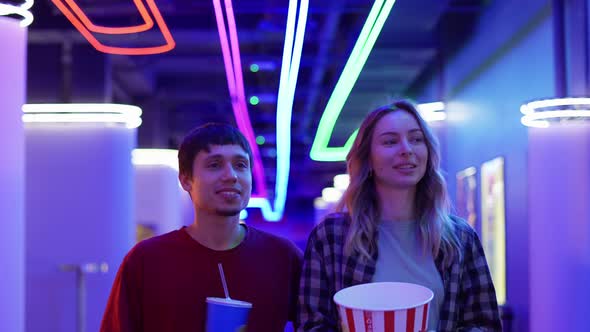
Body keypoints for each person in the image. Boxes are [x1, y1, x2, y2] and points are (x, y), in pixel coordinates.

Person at [296, 100, 502, 331]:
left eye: (416, 139)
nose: (407, 149)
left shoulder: (460, 238)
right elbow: (311, 325)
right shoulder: (331, 236)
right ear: (368, 159)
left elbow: (485, 324)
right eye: (390, 141)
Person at [101, 123, 302, 332]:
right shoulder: (146, 260)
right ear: (186, 180)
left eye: (241, 165)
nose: (231, 175)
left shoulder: (283, 257)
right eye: (215, 165)